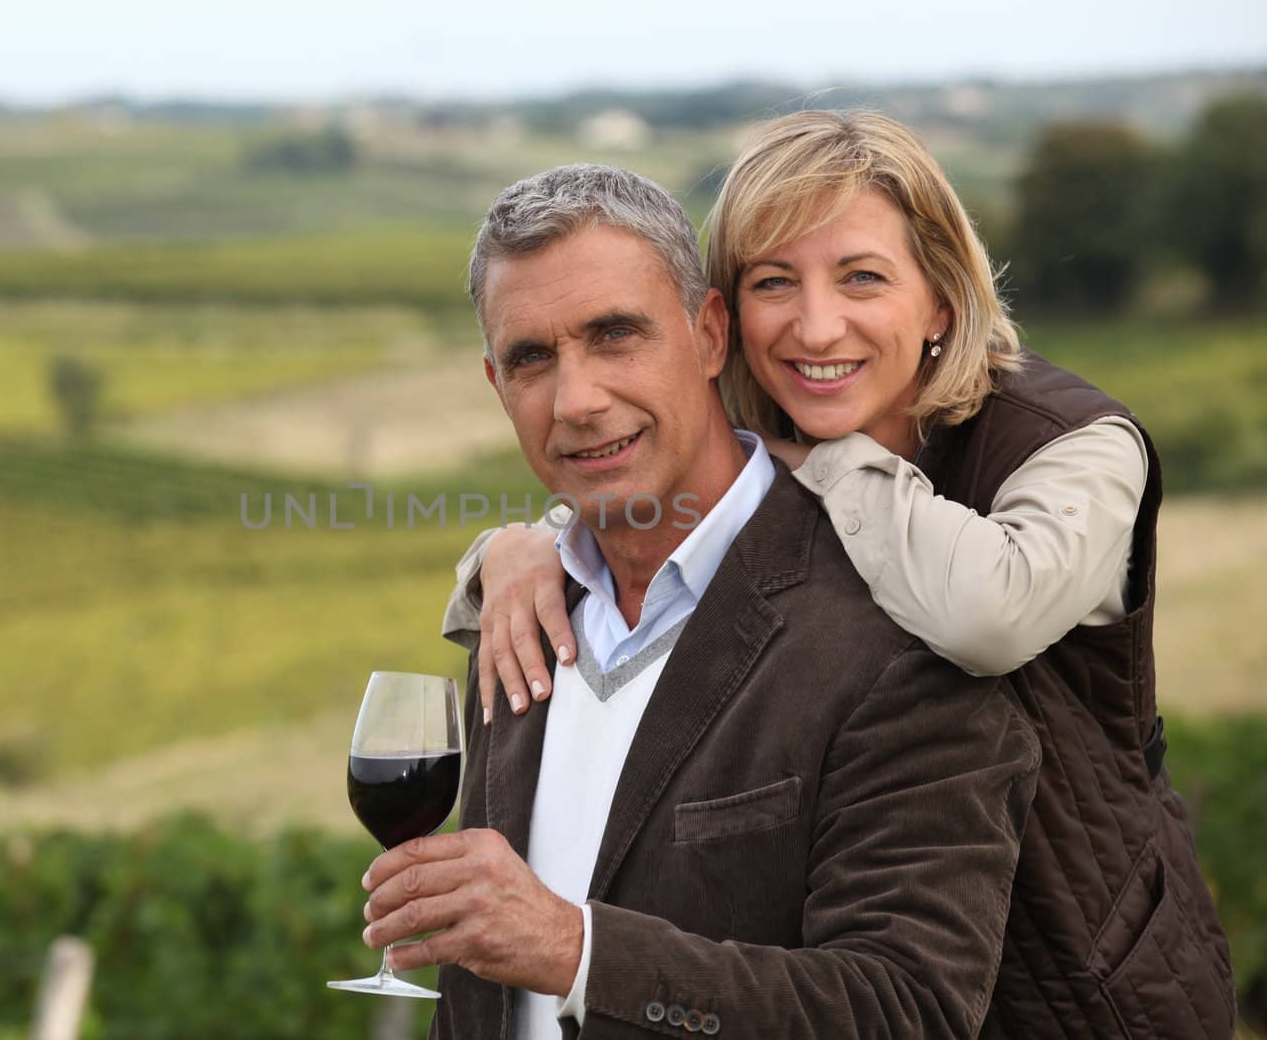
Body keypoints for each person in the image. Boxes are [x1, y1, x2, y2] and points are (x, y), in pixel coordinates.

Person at [444, 111, 1236, 1037]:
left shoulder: (1056, 454)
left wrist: (576, 950)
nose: (817, 324)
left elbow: (988, 613)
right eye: (776, 282)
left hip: (1084, 981)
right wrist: (516, 549)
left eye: (862, 276)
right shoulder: (539, 615)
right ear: (733, 319)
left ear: (940, 296)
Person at [360, 162, 1040, 1039]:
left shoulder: (892, 633)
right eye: (532, 358)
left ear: (710, 334)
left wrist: (577, 952)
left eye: (615, 336)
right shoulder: (519, 616)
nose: (576, 400)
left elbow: (905, 1007)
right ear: (498, 384)